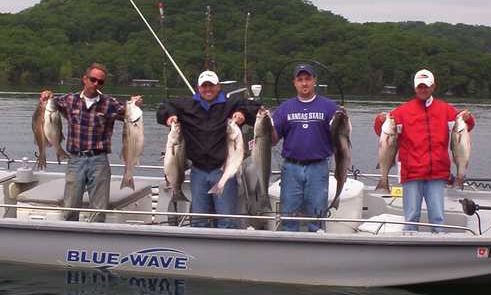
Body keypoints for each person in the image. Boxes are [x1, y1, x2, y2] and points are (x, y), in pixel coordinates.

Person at [374, 69, 475, 232]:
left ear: (433, 86)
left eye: (426, 86)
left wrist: (468, 119)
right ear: (415, 88)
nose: (423, 89)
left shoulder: (446, 110)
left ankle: (438, 246)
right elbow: (382, 133)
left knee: (437, 217)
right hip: (411, 173)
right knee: (411, 216)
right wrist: (379, 121)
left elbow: (465, 127)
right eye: (420, 86)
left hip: (437, 173)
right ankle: (410, 249)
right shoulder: (401, 111)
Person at [157, 70, 260, 228]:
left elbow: (253, 107)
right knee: (199, 220)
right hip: (198, 172)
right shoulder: (187, 105)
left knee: (227, 220)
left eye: (211, 85)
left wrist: (241, 113)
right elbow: (164, 106)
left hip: (223, 171)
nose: (208, 89)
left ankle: (226, 251)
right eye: (204, 86)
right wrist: (169, 116)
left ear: (218, 86)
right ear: (198, 88)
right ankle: (201, 252)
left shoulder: (230, 103)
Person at [40, 63, 142, 222]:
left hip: (99, 161)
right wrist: (47, 96)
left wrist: (134, 103)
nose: (96, 84)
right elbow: (49, 106)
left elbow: (131, 116)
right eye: (93, 80)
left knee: (99, 211)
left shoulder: (109, 103)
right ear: (85, 79)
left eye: (100, 82)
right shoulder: (69, 100)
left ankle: (93, 241)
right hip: (75, 160)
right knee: (70, 208)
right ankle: (69, 239)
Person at [271, 64, 338, 232]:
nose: (304, 83)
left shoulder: (329, 107)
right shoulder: (284, 108)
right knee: (288, 215)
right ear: (294, 83)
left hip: (319, 167)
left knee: (317, 215)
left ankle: (318, 247)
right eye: (300, 80)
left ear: (314, 81)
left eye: (308, 79)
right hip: (291, 168)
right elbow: (272, 140)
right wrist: (264, 124)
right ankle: (288, 250)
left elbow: (340, 137)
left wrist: (341, 120)